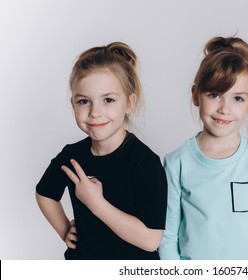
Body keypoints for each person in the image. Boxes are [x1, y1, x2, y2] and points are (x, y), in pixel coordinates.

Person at [158, 36, 248, 260]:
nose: (225, 108)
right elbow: (168, 237)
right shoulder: (177, 163)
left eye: (237, 98)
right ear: (195, 95)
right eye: (215, 95)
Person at [35, 42, 167, 260]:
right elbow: (45, 194)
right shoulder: (72, 155)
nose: (95, 112)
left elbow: (150, 240)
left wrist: (97, 204)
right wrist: (65, 230)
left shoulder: (143, 162)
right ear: (73, 104)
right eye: (84, 101)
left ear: (129, 103)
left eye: (108, 100)